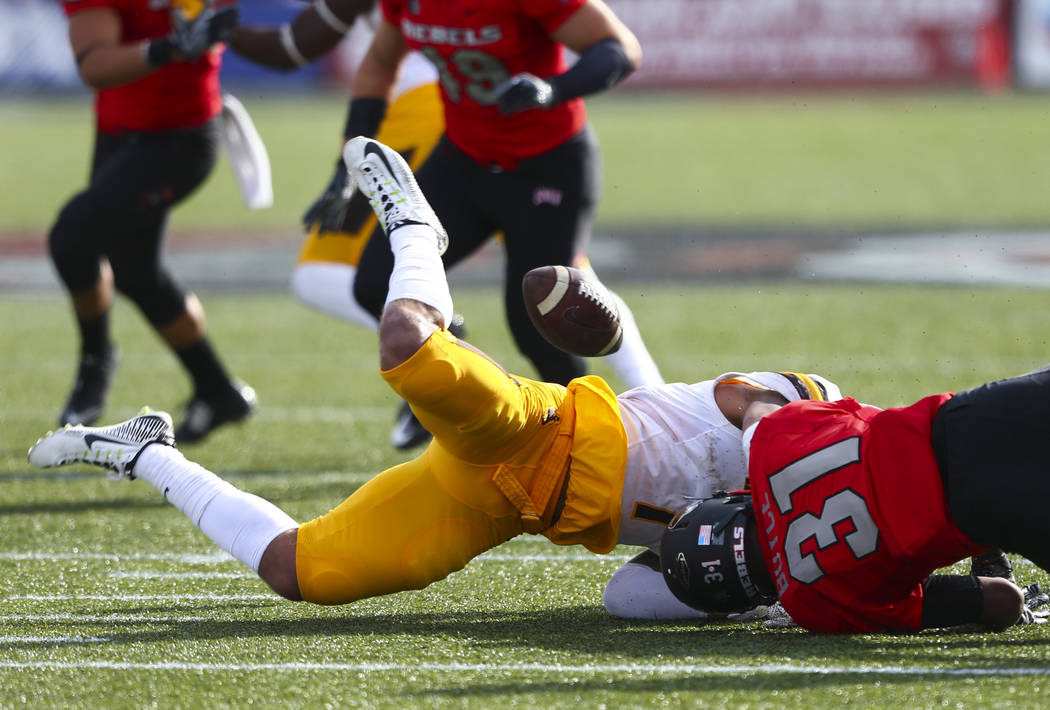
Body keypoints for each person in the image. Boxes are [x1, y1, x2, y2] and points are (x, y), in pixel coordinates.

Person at [28, 138, 838, 612]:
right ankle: (420, 231)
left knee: (302, 573)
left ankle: (142, 451)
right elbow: (755, 404)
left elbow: (635, 592)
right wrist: (764, 491)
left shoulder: (792, 535)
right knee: (406, 345)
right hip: (537, 424)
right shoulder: (802, 417)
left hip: (497, 504)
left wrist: (755, 582)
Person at [229, 0, 664, 450]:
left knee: (537, 325)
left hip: (547, 166)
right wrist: (348, 163)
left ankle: (603, 443)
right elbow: (379, 64)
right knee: (375, 283)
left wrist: (555, 88)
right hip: (464, 161)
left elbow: (620, 49)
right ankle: (467, 392)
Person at [659, 365, 1050, 632]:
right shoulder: (769, 443)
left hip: (988, 510)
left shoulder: (813, 604)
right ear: (727, 503)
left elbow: (1001, 599)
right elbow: (759, 406)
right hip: (967, 421)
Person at [50, 0, 256, 444]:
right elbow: (94, 64)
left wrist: (202, 34)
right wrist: (167, 48)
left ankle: (96, 359)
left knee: (72, 237)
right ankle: (218, 390)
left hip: (180, 139)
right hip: (119, 131)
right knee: (136, 272)